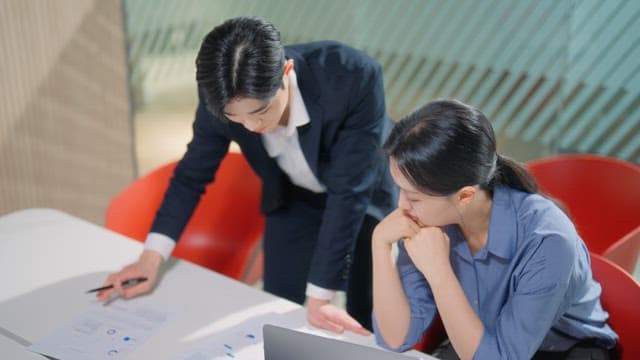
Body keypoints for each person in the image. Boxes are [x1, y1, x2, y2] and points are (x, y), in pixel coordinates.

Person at [98, 16, 396, 335]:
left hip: (362, 196)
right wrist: (150, 258)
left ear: (286, 72)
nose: (252, 128)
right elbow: (191, 176)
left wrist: (321, 295)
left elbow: (349, 192)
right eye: (234, 118)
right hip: (292, 194)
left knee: (363, 307)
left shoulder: (351, 75)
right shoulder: (218, 93)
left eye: (260, 112)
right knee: (279, 305)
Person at [371, 99, 618, 359]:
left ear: (465, 196)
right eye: (400, 189)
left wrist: (439, 272)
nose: (401, 205)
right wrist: (379, 244)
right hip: (484, 339)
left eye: (414, 197)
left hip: (566, 349)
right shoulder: (426, 221)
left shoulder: (548, 239)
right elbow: (395, 339)